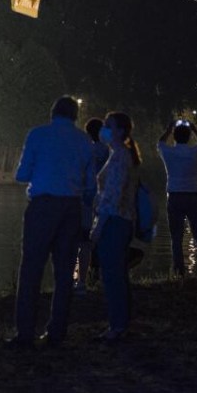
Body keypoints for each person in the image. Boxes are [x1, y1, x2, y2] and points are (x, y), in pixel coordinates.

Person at [8, 96, 94, 349]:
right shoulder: (84, 141)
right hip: (71, 207)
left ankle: (25, 332)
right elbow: (90, 185)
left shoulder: (37, 135)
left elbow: (22, 175)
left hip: (43, 206)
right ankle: (57, 331)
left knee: (32, 269)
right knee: (65, 271)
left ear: (52, 113)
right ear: (76, 115)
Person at [91, 111, 142, 342]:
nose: (104, 128)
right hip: (121, 220)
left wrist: (98, 227)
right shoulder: (120, 155)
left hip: (115, 222)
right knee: (117, 274)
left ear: (120, 131)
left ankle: (117, 325)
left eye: (108, 125)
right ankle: (120, 322)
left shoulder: (119, 156)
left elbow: (111, 196)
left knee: (112, 275)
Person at [158, 119, 197, 277]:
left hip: (175, 196)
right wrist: (194, 129)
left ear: (174, 137)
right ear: (189, 137)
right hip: (193, 196)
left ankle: (179, 272)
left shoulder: (169, 152)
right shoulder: (195, 152)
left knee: (176, 237)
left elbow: (159, 143)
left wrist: (168, 129)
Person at [75, 117, 110, 293]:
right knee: (102, 239)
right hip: (103, 199)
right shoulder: (108, 152)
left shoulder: (83, 151)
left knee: (82, 240)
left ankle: (81, 281)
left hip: (85, 199)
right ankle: (101, 277)